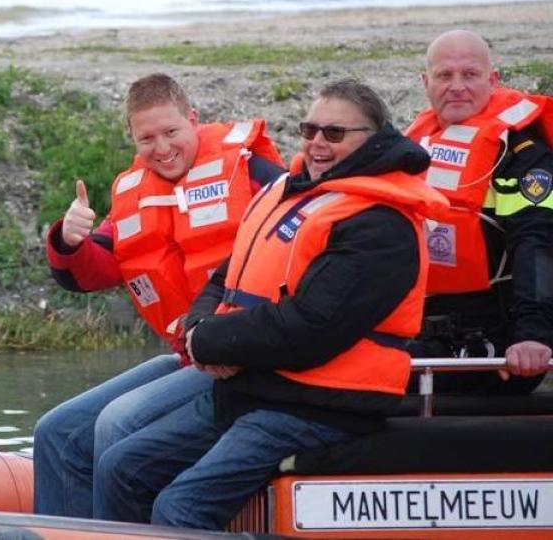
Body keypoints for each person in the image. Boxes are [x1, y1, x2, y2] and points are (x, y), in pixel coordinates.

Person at [93, 80, 448, 529]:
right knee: (121, 467)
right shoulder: (292, 193)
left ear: (373, 138)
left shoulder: (380, 227)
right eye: (310, 129)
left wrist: (212, 344)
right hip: (257, 386)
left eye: (334, 134)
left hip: (319, 406)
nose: (318, 143)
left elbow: (308, 330)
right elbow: (226, 276)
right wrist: (197, 332)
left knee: (179, 508)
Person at [35, 73, 284, 518]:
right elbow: (92, 272)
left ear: (193, 119)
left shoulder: (253, 172)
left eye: (171, 132)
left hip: (242, 356)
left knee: (118, 423)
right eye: (147, 138)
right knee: (53, 431)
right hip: (188, 357)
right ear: (133, 139)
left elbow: (306, 243)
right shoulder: (133, 194)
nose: (162, 148)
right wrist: (69, 243)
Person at [406, 29, 553, 394]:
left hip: (499, 339)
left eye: (469, 75)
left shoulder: (525, 156)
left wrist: (532, 336)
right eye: (444, 75)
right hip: (422, 324)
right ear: (426, 83)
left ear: (493, 80)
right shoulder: (413, 149)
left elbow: (536, 243)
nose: (456, 86)